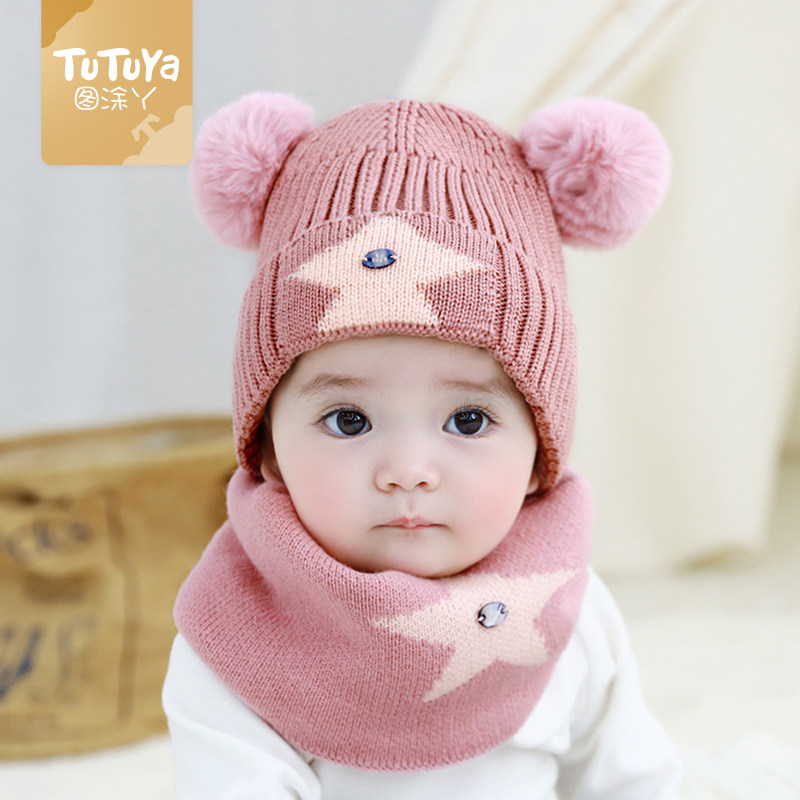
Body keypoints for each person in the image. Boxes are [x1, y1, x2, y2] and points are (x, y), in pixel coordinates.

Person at [162, 92, 680, 799]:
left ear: (540, 452)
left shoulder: (567, 606)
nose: (407, 472)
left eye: (468, 421)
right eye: (349, 421)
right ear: (268, 450)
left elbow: (631, 781)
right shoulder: (235, 634)